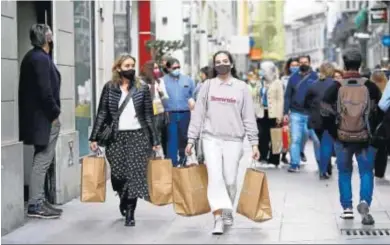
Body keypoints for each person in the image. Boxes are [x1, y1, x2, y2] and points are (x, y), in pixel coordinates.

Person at [186, 50, 260, 235]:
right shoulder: (208, 86)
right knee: (215, 177)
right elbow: (198, 115)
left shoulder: (242, 87)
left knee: (230, 179)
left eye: (225, 61)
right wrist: (191, 139)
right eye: (218, 62)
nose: (221, 64)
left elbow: (249, 117)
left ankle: (228, 209)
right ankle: (218, 217)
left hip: (234, 140)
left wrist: (254, 142)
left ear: (232, 64)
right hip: (211, 138)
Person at [89, 53, 160, 227]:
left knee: (134, 175)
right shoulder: (109, 88)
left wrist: (155, 139)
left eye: (132, 65)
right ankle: (123, 196)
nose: (130, 69)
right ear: (118, 68)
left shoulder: (142, 88)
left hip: (138, 135)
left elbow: (149, 116)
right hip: (116, 137)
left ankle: (130, 212)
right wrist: (94, 137)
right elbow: (102, 113)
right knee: (118, 175)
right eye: (127, 66)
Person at [321, 48, 382, 225]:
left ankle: (347, 209)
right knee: (365, 171)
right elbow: (380, 111)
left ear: (344, 64)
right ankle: (364, 202)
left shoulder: (336, 86)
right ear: (360, 64)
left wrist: (335, 132)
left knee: (345, 172)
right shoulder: (370, 86)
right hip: (365, 137)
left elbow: (325, 111)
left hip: (342, 137)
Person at [19, 24, 62, 219]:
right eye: (50, 34)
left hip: (39, 117)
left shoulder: (33, 57)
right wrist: (54, 114)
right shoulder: (40, 59)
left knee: (41, 157)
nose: (52, 36)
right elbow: (45, 92)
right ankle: (36, 203)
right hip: (44, 118)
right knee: (43, 160)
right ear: (46, 38)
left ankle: (39, 198)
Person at [283, 55, 319, 172]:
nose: (303, 64)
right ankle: (294, 164)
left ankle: (322, 165)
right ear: (298, 64)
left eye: (306, 62)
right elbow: (287, 96)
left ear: (309, 62)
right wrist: (285, 112)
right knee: (295, 139)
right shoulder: (293, 78)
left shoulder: (315, 77)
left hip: (311, 114)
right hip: (296, 113)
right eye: (301, 62)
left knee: (316, 140)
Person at [304, 63, 337, 180]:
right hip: (331, 118)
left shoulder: (313, 85)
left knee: (322, 143)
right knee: (327, 143)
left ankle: (325, 169)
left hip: (316, 119)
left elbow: (306, 102)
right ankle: (325, 169)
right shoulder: (336, 85)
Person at [162, 58, 195, 166]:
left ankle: (184, 159)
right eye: (174, 68)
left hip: (185, 113)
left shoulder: (187, 80)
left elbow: (192, 95)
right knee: (172, 139)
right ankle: (172, 164)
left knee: (184, 137)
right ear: (168, 68)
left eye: (178, 67)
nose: (177, 69)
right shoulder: (163, 81)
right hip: (169, 113)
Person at [252, 61, 284, 167]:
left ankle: (274, 160)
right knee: (262, 136)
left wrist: (280, 115)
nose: (262, 72)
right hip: (262, 113)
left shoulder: (277, 82)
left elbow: (280, 100)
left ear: (270, 70)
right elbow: (256, 97)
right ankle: (263, 158)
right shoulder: (259, 82)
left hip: (274, 113)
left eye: (263, 70)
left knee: (275, 137)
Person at [140, 60, 169, 157]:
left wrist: (160, 92)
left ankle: (158, 156)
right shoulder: (141, 82)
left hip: (157, 112)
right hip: (145, 112)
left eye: (157, 68)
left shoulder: (160, 81)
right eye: (155, 68)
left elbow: (165, 97)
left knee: (157, 134)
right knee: (146, 134)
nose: (157, 70)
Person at [280, 57, 299, 164]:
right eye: (292, 65)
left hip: (297, 109)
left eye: (297, 65)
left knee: (296, 135)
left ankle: (298, 152)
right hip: (286, 109)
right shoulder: (284, 79)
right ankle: (284, 153)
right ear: (289, 67)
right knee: (286, 133)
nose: (294, 67)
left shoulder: (302, 78)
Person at [370, 71, 388, 180]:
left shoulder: (371, 89)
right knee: (383, 149)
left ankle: (376, 170)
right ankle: (379, 172)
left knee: (376, 146)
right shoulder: (386, 88)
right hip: (385, 122)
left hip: (375, 122)